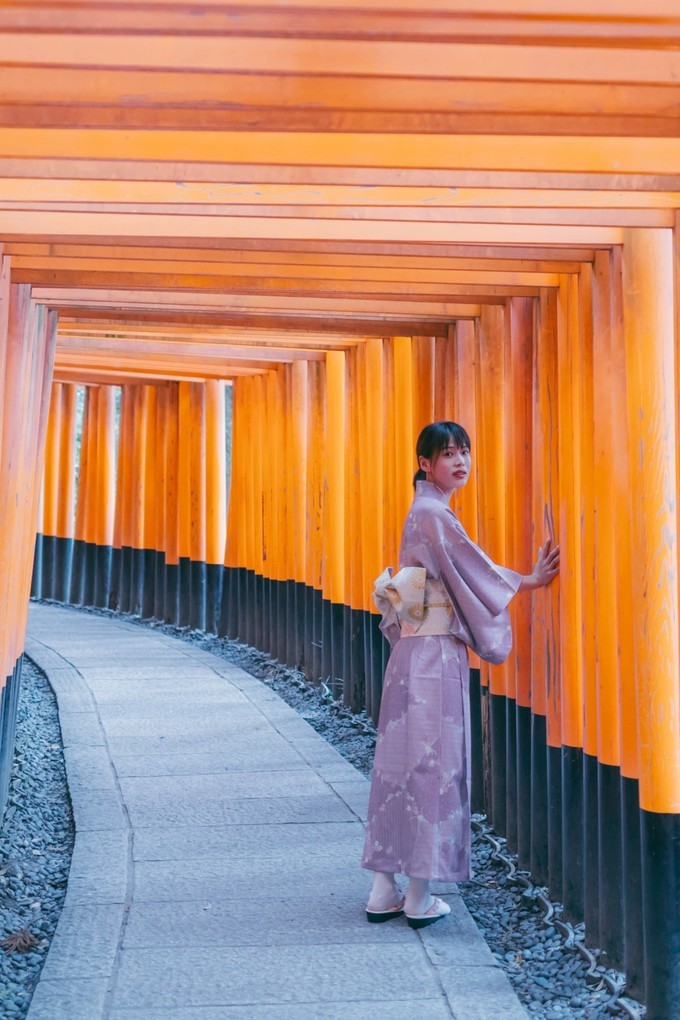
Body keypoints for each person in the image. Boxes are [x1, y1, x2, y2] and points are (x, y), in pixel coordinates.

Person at [361, 421, 559, 929]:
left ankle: (383, 887)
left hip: (410, 652)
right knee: (434, 766)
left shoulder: (422, 511)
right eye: (448, 453)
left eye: (464, 451)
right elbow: (473, 574)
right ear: (425, 464)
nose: (460, 461)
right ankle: (419, 896)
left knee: (399, 765)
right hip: (434, 655)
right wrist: (530, 581)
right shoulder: (436, 514)